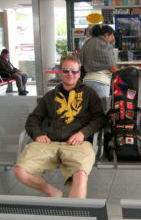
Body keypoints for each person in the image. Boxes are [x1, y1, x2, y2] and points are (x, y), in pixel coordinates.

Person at [14, 56, 106, 198]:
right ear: (60, 72)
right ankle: (53, 192)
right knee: (20, 171)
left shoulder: (89, 94)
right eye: (66, 70)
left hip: (78, 143)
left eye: (74, 71)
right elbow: (33, 119)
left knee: (80, 174)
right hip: (49, 142)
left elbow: (100, 118)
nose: (70, 74)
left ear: (79, 73)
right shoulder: (50, 97)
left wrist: (83, 133)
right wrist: (37, 134)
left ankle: (74, 215)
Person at [80, 24, 118, 100]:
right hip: (101, 82)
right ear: (106, 34)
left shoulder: (87, 42)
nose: (111, 39)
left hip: (86, 81)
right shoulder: (105, 44)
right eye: (111, 36)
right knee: (101, 109)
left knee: (88, 110)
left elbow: (81, 62)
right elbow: (112, 67)